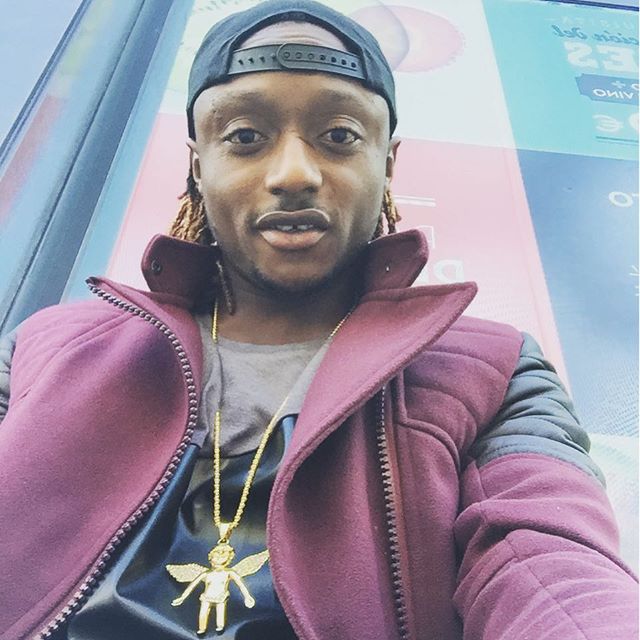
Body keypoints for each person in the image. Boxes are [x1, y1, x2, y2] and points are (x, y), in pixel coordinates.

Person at [0, 1, 637, 638]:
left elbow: (549, 565)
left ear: (387, 163)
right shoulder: (42, 347)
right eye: (244, 137)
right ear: (197, 166)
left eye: (339, 136)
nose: (293, 175)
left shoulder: (495, 373)